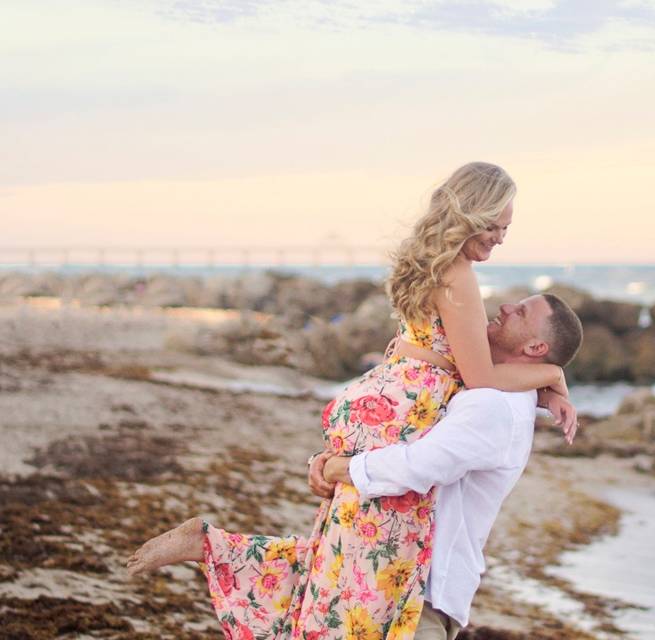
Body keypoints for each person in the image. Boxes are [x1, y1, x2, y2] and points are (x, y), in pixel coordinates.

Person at [126, 162, 578, 639]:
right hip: (407, 411)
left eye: (506, 229)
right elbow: (481, 378)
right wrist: (550, 375)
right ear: (471, 213)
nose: (501, 238)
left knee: (341, 552)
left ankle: (218, 548)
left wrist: (539, 385)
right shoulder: (460, 275)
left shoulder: (429, 262)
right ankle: (221, 551)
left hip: (383, 397)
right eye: (496, 225)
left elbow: (468, 372)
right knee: (368, 567)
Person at [311, 293, 584, 640]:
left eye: (521, 312)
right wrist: (551, 382)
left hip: (421, 594)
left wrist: (340, 470)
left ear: (534, 348)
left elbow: (419, 466)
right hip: (393, 578)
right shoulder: (484, 387)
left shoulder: (496, 405)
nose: (505, 307)